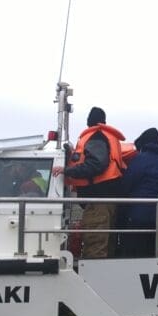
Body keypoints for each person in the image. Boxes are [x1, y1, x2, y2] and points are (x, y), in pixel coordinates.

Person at [53, 107, 126, 259]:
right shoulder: (107, 137)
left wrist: (67, 170)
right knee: (106, 246)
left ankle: (94, 275)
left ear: (89, 121)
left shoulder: (96, 137)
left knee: (95, 247)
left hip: (98, 202)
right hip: (107, 200)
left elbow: (96, 164)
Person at [118, 128, 158, 258]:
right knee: (153, 252)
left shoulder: (140, 159)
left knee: (135, 253)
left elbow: (128, 182)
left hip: (138, 214)